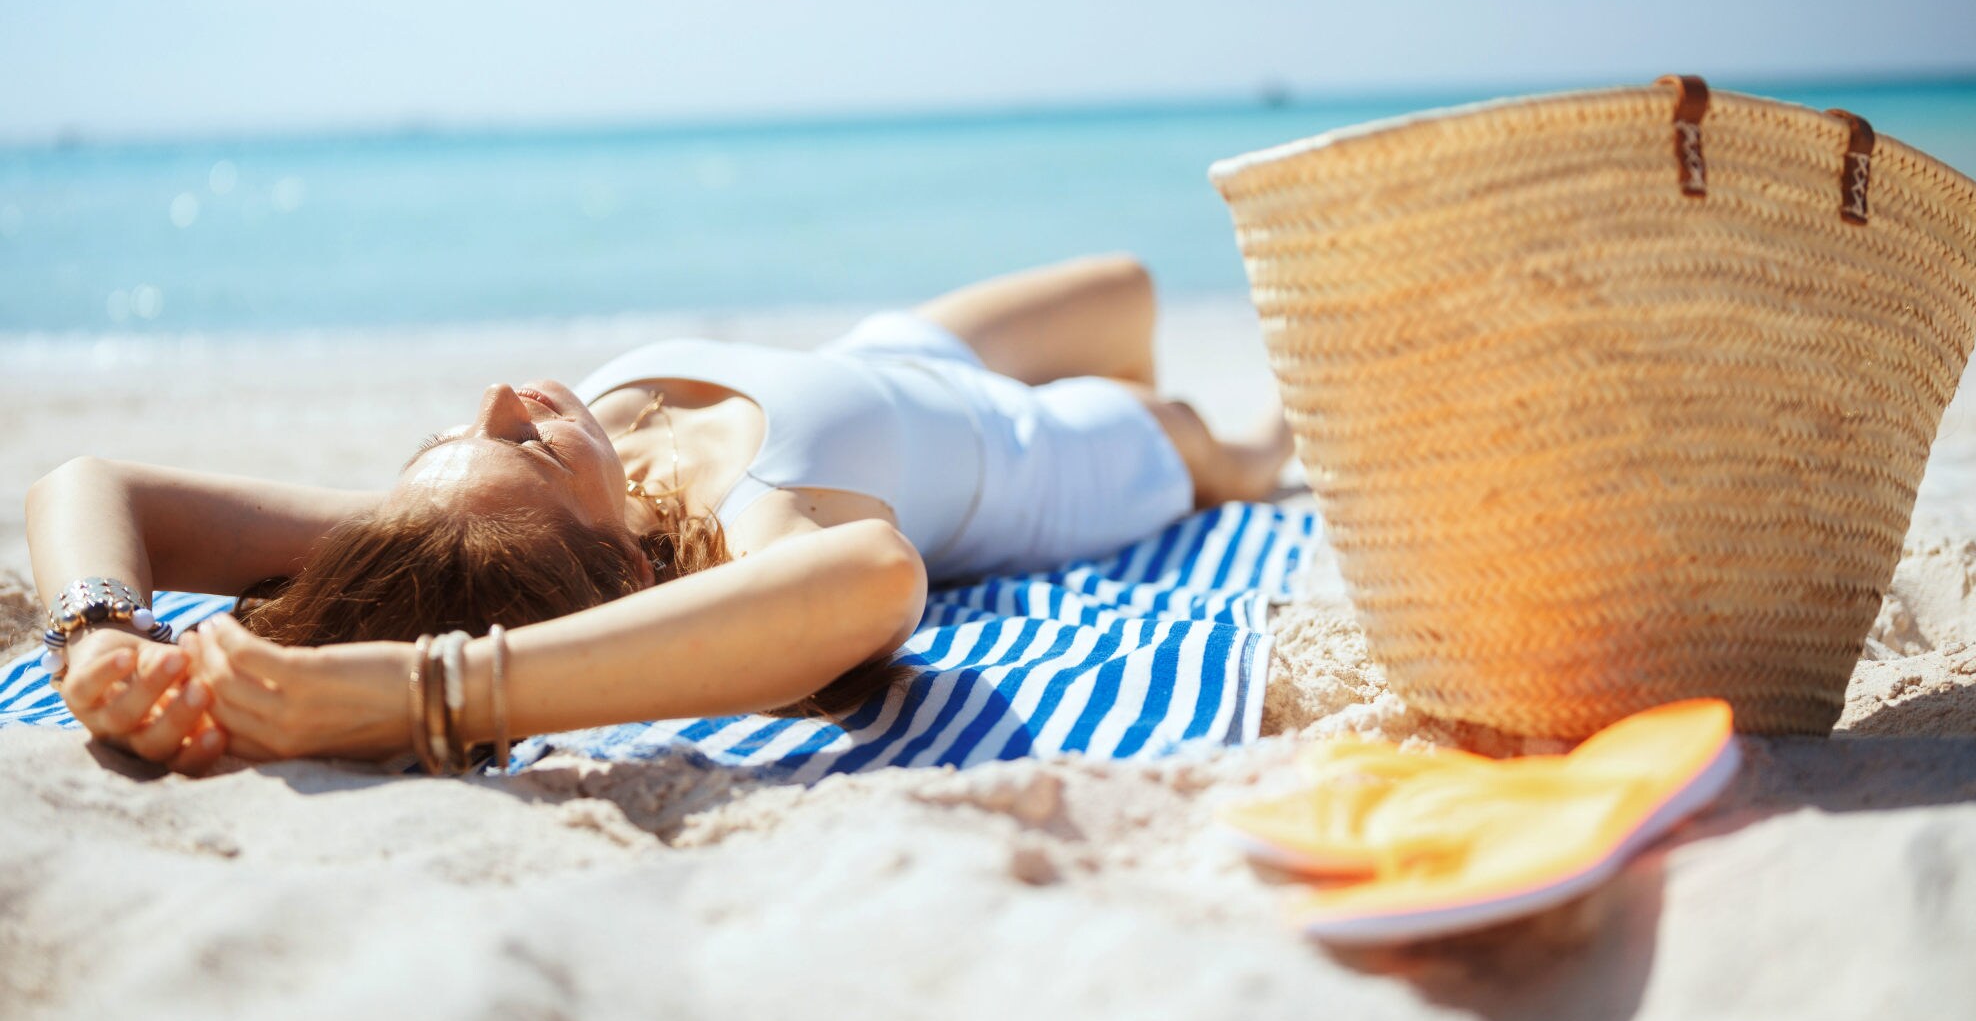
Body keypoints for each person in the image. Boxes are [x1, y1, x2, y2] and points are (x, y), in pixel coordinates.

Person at [27, 255, 1294, 776]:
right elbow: (872, 581)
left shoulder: (451, 514)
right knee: (1219, 441)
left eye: (459, 438)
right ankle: (1265, 447)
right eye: (520, 447)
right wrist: (433, 693)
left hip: (892, 350)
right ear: (617, 559)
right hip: (1043, 458)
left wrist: (98, 635)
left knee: (1129, 284)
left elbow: (93, 482)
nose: (494, 406)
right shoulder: (761, 518)